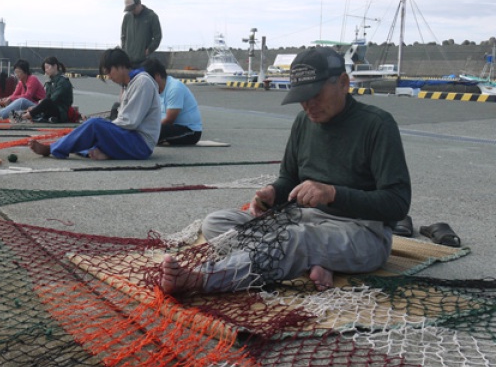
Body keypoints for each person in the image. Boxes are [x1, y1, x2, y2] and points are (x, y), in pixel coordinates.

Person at [161, 46, 411, 294]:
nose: (308, 105)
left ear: (343, 83)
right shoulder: (304, 122)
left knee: (294, 240)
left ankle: (204, 281)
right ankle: (316, 261)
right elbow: (289, 180)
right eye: (302, 97)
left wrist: (333, 193)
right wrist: (273, 192)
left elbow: (397, 203)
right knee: (217, 223)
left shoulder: (377, 124)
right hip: (303, 220)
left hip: (361, 232)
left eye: (316, 94)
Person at [29, 48, 160, 160]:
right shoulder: (129, 85)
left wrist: (101, 125)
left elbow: (130, 121)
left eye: (109, 71)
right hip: (130, 138)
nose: (109, 76)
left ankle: (51, 149)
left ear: (120, 66)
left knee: (93, 126)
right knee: (88, 131)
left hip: (140, 144)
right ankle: (104, 153)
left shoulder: (142, 82)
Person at [143, 58, 203, 145]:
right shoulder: (155, 89)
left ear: (157, 76)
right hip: (171, 127)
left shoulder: (175, 88)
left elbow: (169, 120)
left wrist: (148, 128)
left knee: (157, 131)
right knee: (144, 128)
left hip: (190, 131)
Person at [21, 56, 74, 123]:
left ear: (55, 66)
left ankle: (26, 116)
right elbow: (47, 98)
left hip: (61, 111)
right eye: (45, 68)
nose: (46, 70)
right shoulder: (49, 82)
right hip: (51, 109)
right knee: (39, 105)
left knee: (46, 102)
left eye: (47, 67)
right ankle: (29, 115)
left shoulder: (63, 81)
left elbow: (53, 99)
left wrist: (40, 105)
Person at [120, 0, 162, 65]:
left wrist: (149, 50)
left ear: (139, 4)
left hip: (144, 61)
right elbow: (123, 36)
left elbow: (157, 37)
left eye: (133, 8)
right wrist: (124, 50)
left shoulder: (152, 16)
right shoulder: (127, 17)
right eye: (129, 9)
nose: (132, 11)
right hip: (128, 61)